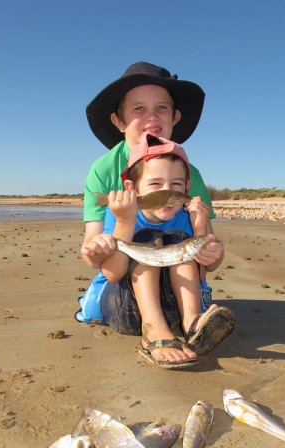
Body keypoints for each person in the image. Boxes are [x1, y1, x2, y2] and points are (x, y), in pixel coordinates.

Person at [76, 132, 235, 369]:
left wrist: (206, 237)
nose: (167, 195)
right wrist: (125, 222)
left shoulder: (189, 217)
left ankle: (193, 324)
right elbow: (113, 274)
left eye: (176, 186)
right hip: (126, 309)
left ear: (187, 188)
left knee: (179, 241)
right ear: (132, 188)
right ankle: (152, 330)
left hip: (175, 315)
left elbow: (204, 271)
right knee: (149, 239)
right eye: (155, 185)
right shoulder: (118, 215)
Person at [80, 61, 214, 277]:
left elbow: (208, 253)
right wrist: (96, 250)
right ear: (119, 121)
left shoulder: (190, 173)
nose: (152, 117)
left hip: (183, 275)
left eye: (162, 107)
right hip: (122, 273)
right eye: (139, 108)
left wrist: (213, 255)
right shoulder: (103, 169)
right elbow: (90, 252)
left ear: (175, 117)